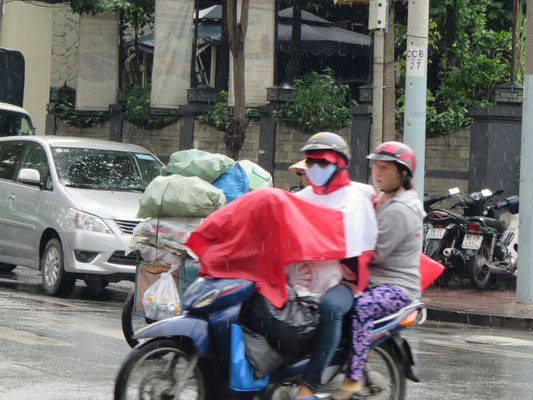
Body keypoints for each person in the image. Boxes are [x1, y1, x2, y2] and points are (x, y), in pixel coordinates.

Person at [332, 141, 425, 400]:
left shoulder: (402, 210)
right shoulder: (383, 198)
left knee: (362, 307)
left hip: (396, 287)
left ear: (403, 173)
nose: (378, 172)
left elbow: (374, 253)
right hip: (372, 280)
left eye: (385, 168)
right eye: (376, 166)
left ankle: (353, 378)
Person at [290, 132, 378, 400]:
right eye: (311, 162)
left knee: (330, 309)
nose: (315, 168)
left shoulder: (357, 197)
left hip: (344, 281)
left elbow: (362, 242)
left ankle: (310, 386)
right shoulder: (301, 197)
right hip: (301, 278)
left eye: (323, 162)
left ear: (340, 164)